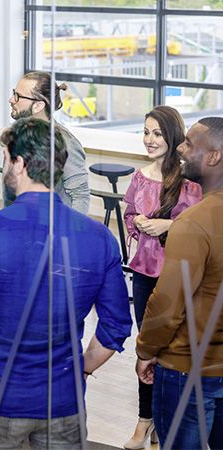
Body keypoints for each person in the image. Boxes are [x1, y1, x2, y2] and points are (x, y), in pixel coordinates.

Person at [0, 117, 132, 449]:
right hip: (64, 401)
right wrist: (81, 371)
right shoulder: (99, 238)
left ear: (20, 162)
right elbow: (116, 325)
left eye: (6, 156)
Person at [136, 117, 223, 450]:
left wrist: (145, 350)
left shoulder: (192, 223)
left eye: (189, 143)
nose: (181, 149)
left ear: (213, 157)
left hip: (187, 371)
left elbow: (168, 304)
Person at [122, 106, 202, 449]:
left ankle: (165, 419)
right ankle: (144, 420)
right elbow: (128, 213)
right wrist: (137, 223)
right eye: (145, 132)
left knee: (173, 350)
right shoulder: (140, 177)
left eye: (156, 133)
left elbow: (202, 227)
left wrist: (169, 226)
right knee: (146, 347)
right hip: (143, 274)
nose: (149, 139)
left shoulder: (191, 181)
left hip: (178, 277)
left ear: (172, 136)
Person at [8, 71, 90, 213]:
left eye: (18, 96)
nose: (11, 99)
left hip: (53, 228)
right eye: (14, 93)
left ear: (38, 106)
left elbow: (80, 195)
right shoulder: (16, 135)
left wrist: (72, 232)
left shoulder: (65, 143)